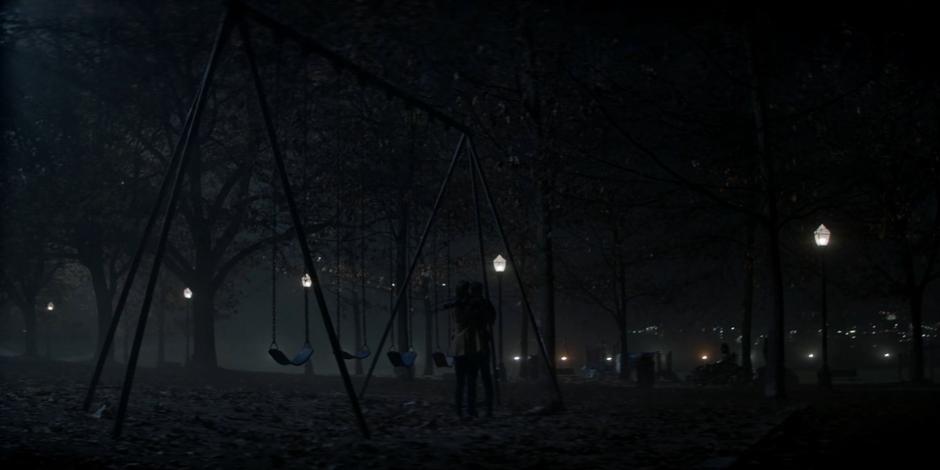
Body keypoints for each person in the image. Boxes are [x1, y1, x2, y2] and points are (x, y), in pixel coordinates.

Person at [467, 281, 496, 417]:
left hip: (480, 343)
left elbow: (491, 319)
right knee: (475, 377)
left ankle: (487, 407)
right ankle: (474, 408)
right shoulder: (470, 304)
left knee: (483, 377)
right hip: (474, 344)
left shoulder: (484, 304)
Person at [449, 282, 477, 418]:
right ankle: (461, 410)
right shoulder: (459, 307)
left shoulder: (462, 306)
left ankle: (468, 409)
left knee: (469, 381)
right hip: (463, 348)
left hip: (466, 348)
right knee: (463, 381)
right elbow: (461, 322)